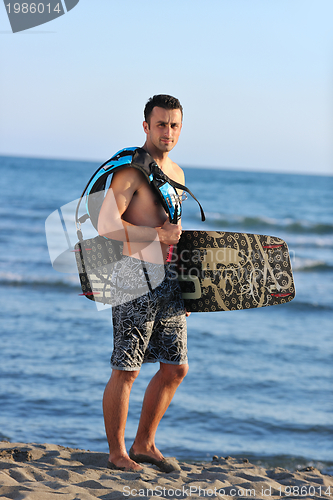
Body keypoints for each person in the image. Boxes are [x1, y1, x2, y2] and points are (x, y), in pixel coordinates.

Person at [98, 95, 190, 472]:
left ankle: (144, 444)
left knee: (175, 367)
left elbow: (172, 230)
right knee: (128, 368)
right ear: (146, 127)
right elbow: (106, 227)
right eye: (161, 124)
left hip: (169, 280)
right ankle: (118, 453)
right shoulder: (131, 173)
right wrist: (157, 236)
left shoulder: (178, 173)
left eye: (174, 125)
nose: (167, 131)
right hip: (131, 276)